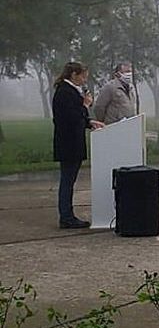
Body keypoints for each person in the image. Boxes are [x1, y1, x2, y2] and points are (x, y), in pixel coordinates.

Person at [52, 61, 105, 228]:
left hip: (72, 142)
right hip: (68, 143)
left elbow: (78, 117)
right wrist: (86, 105)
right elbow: (72, 118)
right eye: (83, 76)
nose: (84, 80)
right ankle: (66, 217)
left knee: (69, 180)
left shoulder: (70, 92)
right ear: (73, 75)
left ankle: (67, 214)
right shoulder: (65, 92)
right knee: (67, 181)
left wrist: (90, 122)